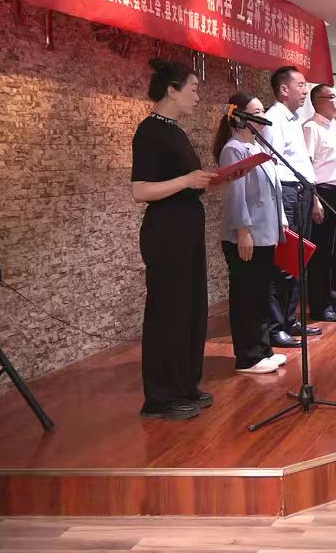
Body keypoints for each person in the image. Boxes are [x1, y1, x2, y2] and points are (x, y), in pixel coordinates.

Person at [130, 58, 214, 421]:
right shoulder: (149, 131)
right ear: (172, 90)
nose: (197, 96)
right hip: (166, 233)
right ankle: (160, 397)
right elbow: (140, 191)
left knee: (191, 308)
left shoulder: (174, 130)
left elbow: (185, 181)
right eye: (193, 89)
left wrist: (207, 181)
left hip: (187, 228)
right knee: (167, 312)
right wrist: (186, 181)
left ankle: (185, 385)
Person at [213, 92, 286, 376]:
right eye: (256, 112)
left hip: (266, 234)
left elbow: (273, 192)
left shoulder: (258, 149)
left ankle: (263, 349)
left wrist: (281, 222)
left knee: (261, 294)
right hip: (247, 235)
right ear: (239, 116)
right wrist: (243, 230)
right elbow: (236, 194)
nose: (263, 117)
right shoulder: (234, 149)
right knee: (246, 296)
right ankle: (247, 356)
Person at [261, 66, 321, 347]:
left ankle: (290, 319)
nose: (305, 91)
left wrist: (314, 197)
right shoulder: (274, 119)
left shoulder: (294, 119)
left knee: (299, 261)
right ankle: (275, 327)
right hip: (286, 194)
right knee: (283, 264)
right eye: (301, 85)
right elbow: (271, 166)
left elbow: (302, 163)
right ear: (283, 89)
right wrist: (279, 211)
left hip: (302, 193)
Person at [302, 85, 336, 323]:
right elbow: (307, 166)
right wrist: (315, 200)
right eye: (332, 97)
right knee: (323, 252)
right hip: (324, 193)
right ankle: (319, 305)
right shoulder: (311, 128)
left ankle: (332, 300)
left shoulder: (334, 128)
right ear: (317, 101)